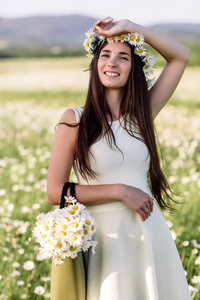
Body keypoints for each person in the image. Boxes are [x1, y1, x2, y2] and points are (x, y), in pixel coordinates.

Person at [47, 16, 191, 300]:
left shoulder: (143, 114)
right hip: (106, 241)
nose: (112, 62)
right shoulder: (75, 120)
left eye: (123, 57)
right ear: (95, 64)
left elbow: (181, 56)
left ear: (134, 69)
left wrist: (130, 28)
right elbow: (55, 192)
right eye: (105, 55)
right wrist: (121, 191)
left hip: (148, 233)